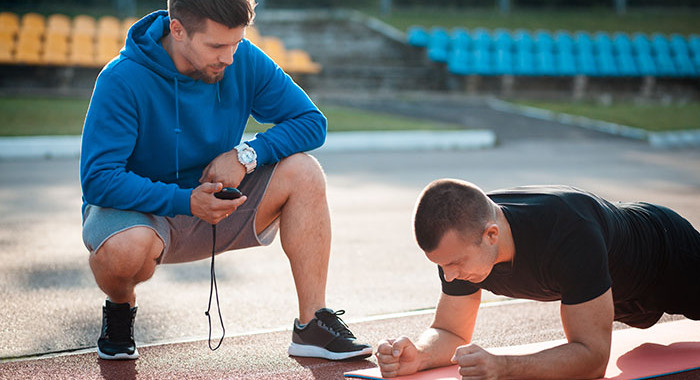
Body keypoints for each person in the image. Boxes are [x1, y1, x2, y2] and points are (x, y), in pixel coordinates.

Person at [80, 0, 371, 361]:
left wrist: (246, 155)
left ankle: (312, 324)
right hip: (143, 214)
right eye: (217, 46)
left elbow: (312, 122)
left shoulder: (243, 59)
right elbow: (99, 180)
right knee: (125, 251)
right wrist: (185, 201)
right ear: (177, 29)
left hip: (218, 206)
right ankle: (120, 309)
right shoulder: (121, 79)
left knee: (304, 171)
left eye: (236, 43)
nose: (230, 58)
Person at [377, 179, 700, 379]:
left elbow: (592, 358)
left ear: (492, 235)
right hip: (618, 291)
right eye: (441, 265)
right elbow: (450, 330)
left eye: (455, 263)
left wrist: (504, 367)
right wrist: (419, 356)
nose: (450, 276)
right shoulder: (459, 241)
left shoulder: (568, 232)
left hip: (667, 255)